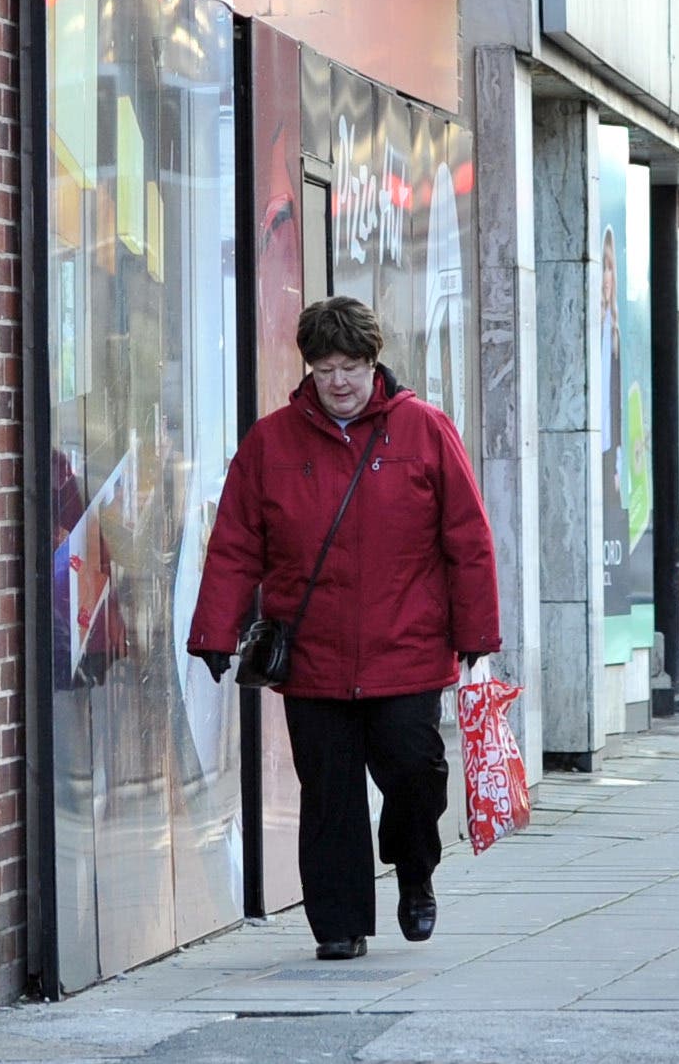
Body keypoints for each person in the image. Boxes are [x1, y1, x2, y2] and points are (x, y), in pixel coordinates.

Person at [191, 296, 501, 960]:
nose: (339, 381)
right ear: (309, 368)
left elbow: (467, 537)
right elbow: (236, 542)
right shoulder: (271, 442)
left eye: (351, 366)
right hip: (314, 657)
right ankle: (339, 923)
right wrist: (215, 631)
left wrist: (477, 633)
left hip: (409, 651)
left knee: (417, 773)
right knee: (329, 795)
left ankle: (414, 871)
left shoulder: (424, 430)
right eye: (326, 367)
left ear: (374, 363)